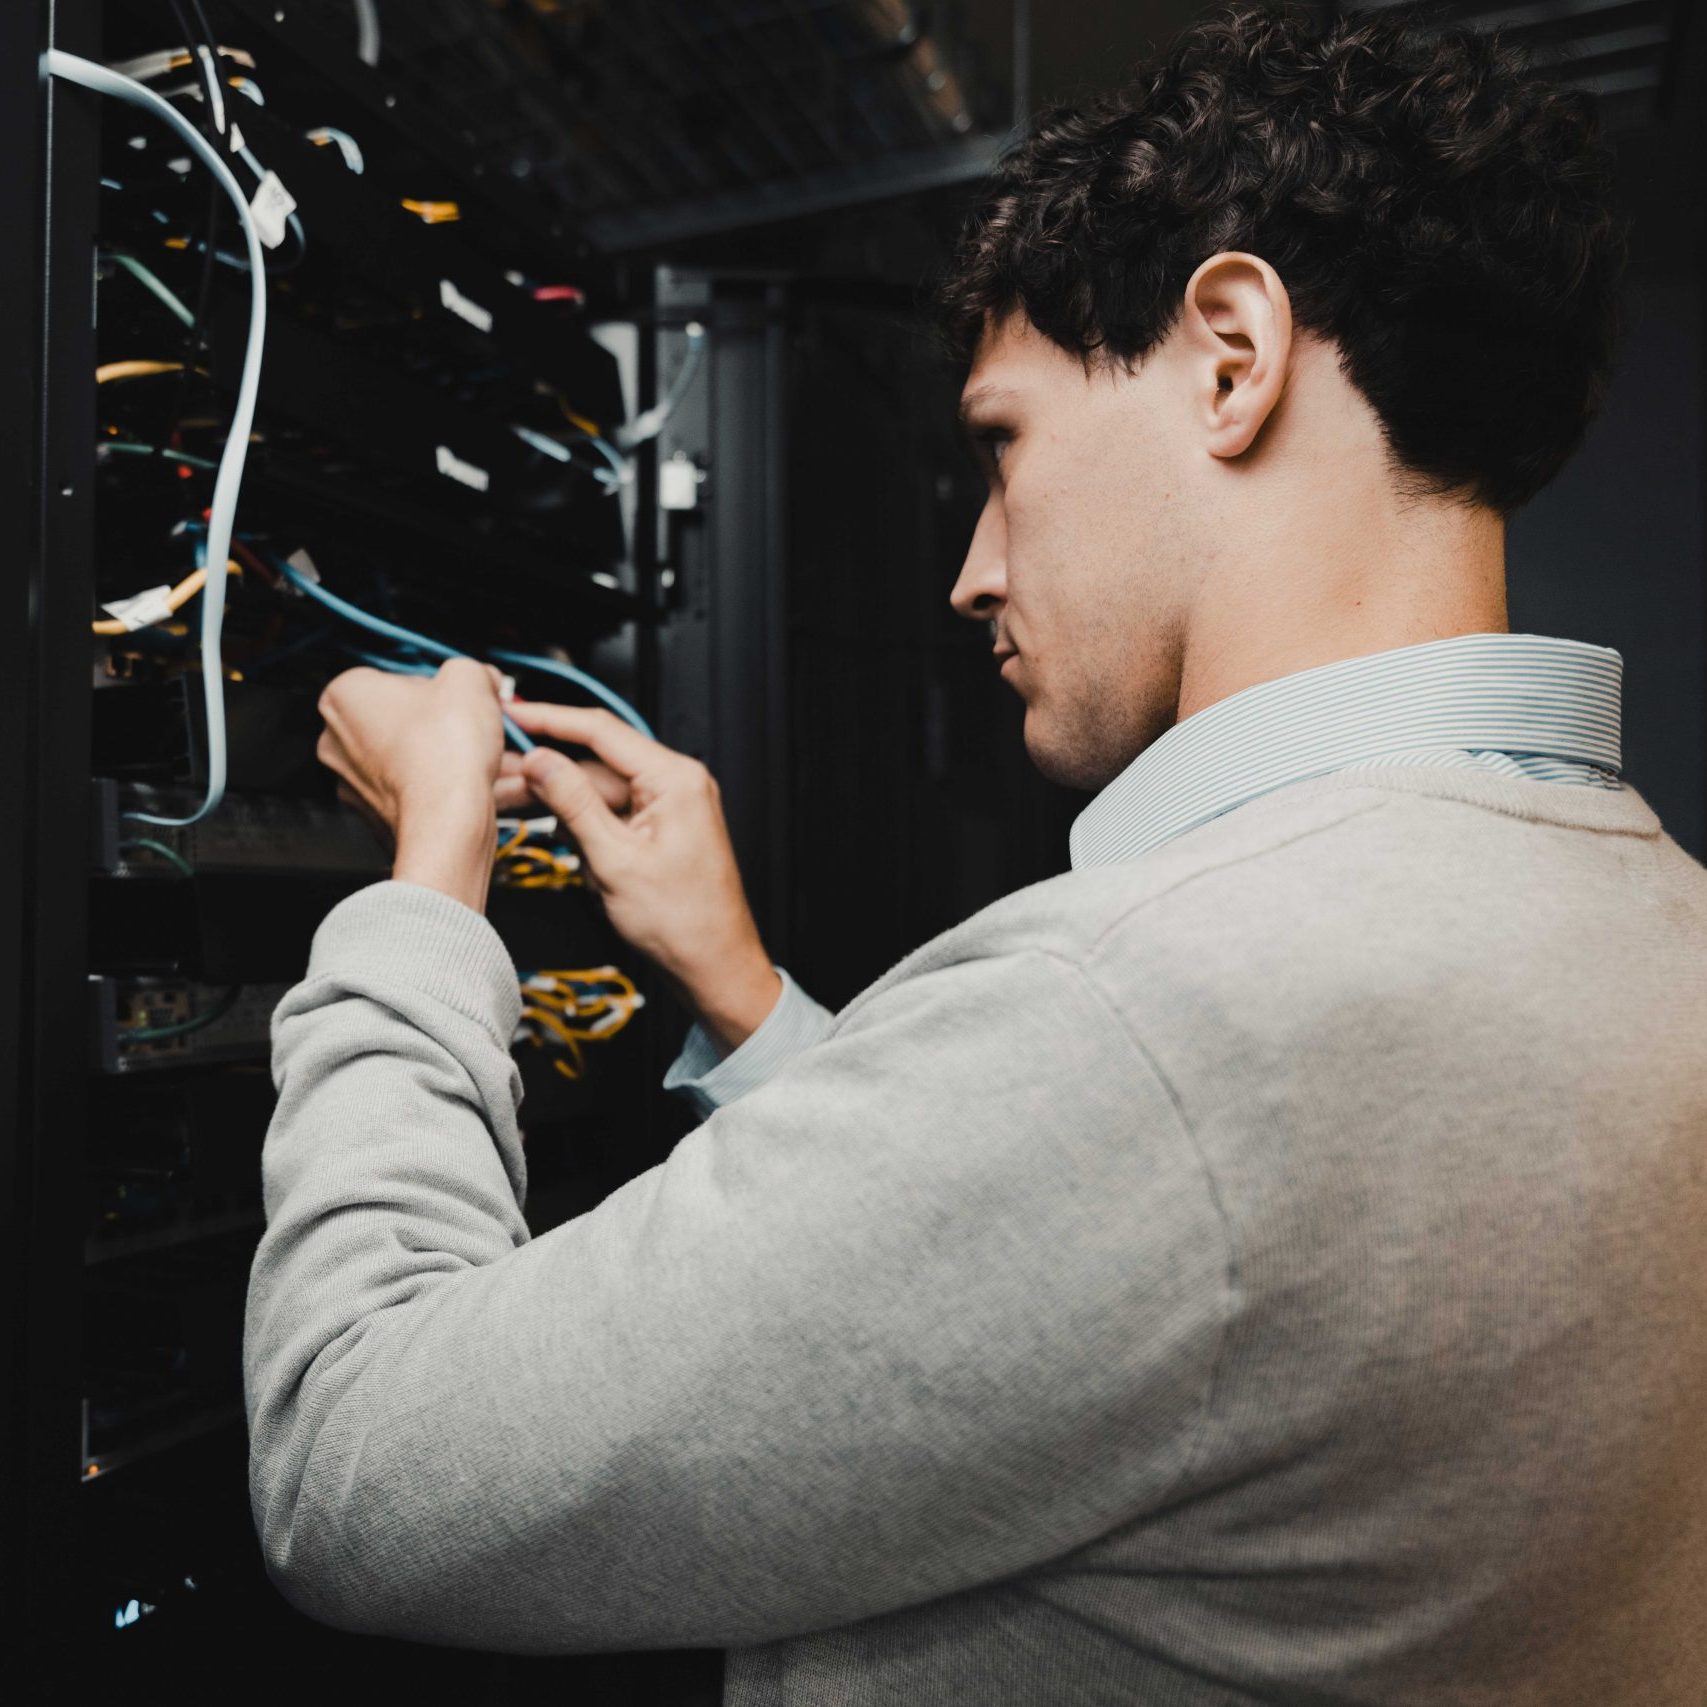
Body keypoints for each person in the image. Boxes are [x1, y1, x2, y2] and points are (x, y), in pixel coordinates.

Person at [243, 4, 1707, 1701]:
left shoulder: (1154, 1012)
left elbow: (356, 1459)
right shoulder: (1654, 924)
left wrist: (424, 885)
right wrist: (748, 991)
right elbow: (1107, 1309)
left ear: (1232, 356)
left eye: (1004, 445)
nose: (971, 570)